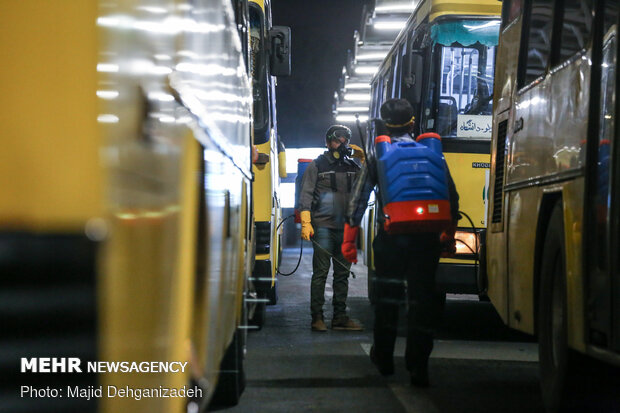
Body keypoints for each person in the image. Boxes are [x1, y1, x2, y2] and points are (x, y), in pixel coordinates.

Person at [342, 99, 459, 386]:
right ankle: (418, 366)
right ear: (412, 123)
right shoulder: (432, 152)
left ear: (383, 124)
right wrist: (448, 233)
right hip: (426, 241)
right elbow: (451, 198)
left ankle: (383, 359)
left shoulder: (378, 154)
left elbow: (357, 201)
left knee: (387, 300)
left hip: (391, 239)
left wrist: (348, 240)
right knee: (422, 302)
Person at [298, 125, 364, 332]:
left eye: (345, 140)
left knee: (342, 273)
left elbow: (370, 184)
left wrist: (365, 160)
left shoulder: (354, 166)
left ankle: (340, 317)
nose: (342, 143)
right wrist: (306, 221)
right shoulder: (317, 165)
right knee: (321, 272)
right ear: (328, 142)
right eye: (338, 140)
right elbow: (306, 194)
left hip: (345, 227)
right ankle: (317, 317)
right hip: (323, 225)